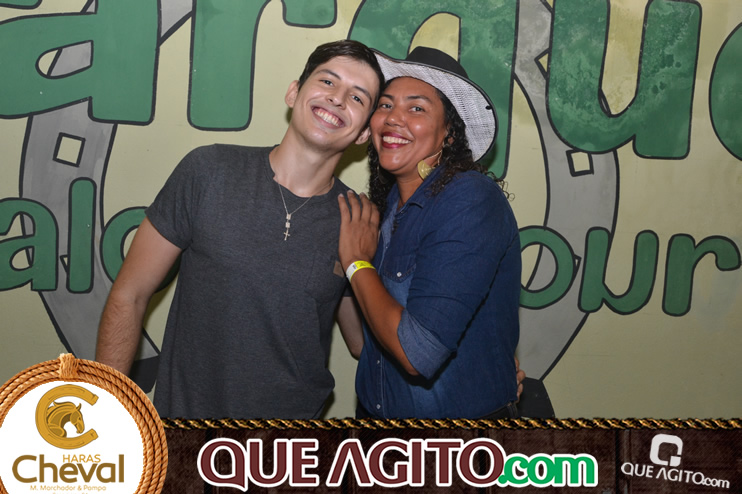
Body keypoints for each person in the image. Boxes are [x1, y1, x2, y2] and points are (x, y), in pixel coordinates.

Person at [95, 39, 385, 419]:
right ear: (294, 93)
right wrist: (107, 414)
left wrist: (361, 263)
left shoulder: (358, 219)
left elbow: (361, 343)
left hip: (289, 446)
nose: (337, 98)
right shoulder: (208, 171)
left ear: (363, 134)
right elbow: (129, 296)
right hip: (188, 433)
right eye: (328, 81)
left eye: (357, 97)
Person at [337, 47, 522, 419]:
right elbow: (361, 344)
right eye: (385, 105)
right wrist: (342, 268)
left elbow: (415, 353)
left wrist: (356, 263)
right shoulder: (386, 208)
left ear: (449, 133)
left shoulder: (469, 198)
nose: (394, 118)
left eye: (417, 108)